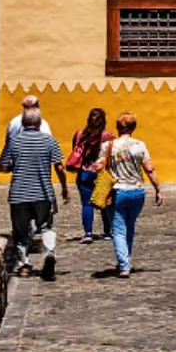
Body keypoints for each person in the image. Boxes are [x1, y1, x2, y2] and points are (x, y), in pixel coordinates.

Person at [0, 108, 68, 279]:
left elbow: (3, 166)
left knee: (21, 232)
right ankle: (49, 252)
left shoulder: (14, 142)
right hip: (43, 192)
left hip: (19, 193)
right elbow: (59, 167)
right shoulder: (49, 141)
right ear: (39, 123)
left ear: (22, 123)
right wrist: (64, 187)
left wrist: (17, 166)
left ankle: (24, 266)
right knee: (46, 226)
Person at [94, 112, 162, 278]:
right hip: (137, 191)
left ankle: (124, 265)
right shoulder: (140, 145)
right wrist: (158, 189)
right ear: (133, 127)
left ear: (117, 127)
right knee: (129, 226)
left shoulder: (108, 146)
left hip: (117, 192)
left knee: (117, 230)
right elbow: (149, 169)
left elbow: (99, 165)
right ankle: (125, 259)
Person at [68, 108, 111, 243]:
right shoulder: (107, 136)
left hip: (84, 172)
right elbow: (111, 155)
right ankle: (107, 231)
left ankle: (88, 233)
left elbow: (75, 151)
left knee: (86, 204)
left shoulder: (79, 134)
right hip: (100, 173)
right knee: (105, 202)